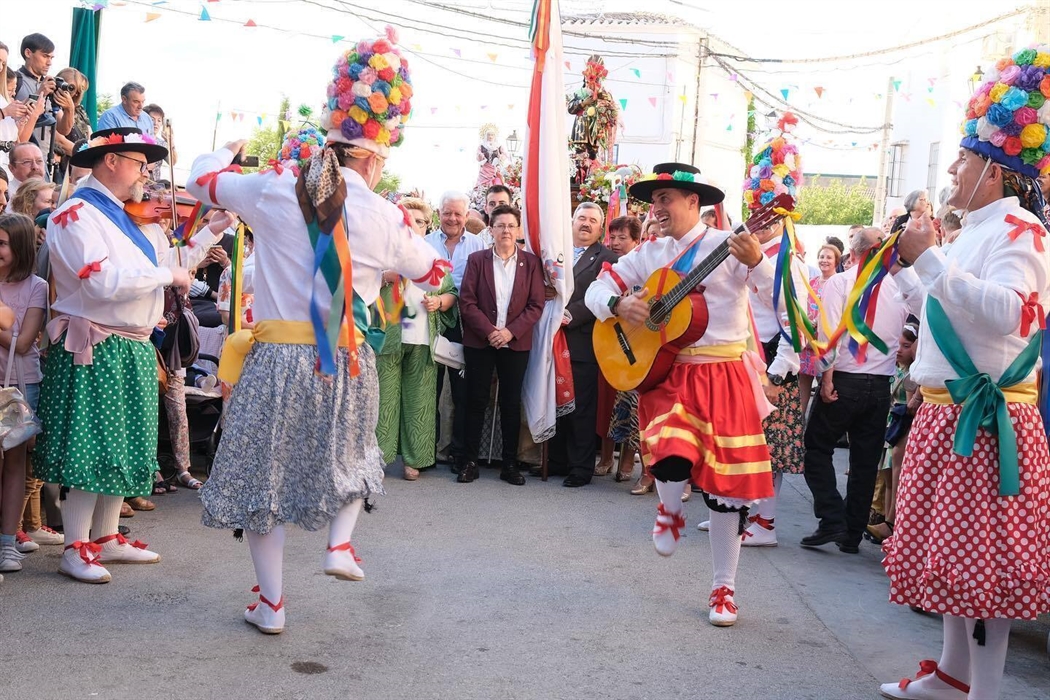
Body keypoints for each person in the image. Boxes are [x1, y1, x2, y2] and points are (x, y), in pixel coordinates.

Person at [189, 29, 449, 635]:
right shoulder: (386, 214)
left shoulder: (276, 188)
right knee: (354, 454)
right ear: (376, 158)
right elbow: (429, 267)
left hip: (278, 356)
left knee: (264, 476)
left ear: (327, 142)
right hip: (346, 358)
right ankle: (339, 543)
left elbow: (200, 180)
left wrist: (224, 154)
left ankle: (272, 604)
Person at [879, 43, 1050, 699]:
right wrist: (910, 265)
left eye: (966, 158)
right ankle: (953, 676)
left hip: (988, 423)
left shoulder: (1023, 233)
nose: (953, 168)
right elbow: (949, 320)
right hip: (947, 413)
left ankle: (985, 689)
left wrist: (928, 263)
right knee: (951, 562)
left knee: (982, 569)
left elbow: (1009, 315)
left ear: (997, 170)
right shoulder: (972, 230)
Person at [585, 162, 774, 627]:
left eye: (665, 198)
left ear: (694, 202)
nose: (657, 207)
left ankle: (723, 588)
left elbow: (776, 299)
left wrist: (758, 262)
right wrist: (617, 304)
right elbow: (594, 288)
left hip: (725, 372)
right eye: (654, 200)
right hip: (670, 374)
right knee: (670, 453)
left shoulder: (728, 246)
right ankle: (669, 509)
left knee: (726, 492)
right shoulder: (649, 252)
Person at [34, 126, 225, 584]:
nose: (147, 173)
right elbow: (100, 281)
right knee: (92, 444)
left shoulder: (125, 217)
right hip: (96, 341)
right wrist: (165, 277)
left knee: (122, 443)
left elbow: (172, 265)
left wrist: (209, 233)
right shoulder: (75, 214)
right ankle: (75, 544)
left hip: (131, 342)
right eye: (141, 164)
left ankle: (105, 537)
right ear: (111, 161)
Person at [801, 227, 907, 554]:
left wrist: (827, 378)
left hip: (845, 379)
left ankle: (833, 516)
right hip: (879, 386)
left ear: (853, 251)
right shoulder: (898, 287)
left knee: (816, 446)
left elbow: (829, 332)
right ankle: (851, 531)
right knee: (864, 460)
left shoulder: (840, 283)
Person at [457, 204, 545, 486]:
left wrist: (509, 332)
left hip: (515, 343)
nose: (505, 230)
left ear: (517, 230)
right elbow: (467, 301)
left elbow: (535, 305)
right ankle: (469, 461)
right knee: (475, 400)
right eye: (500, 225)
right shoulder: (477, 260)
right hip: (480, 342)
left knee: (510, 402)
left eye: (510, 226)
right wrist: (489, 331)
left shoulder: (531, 263)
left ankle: (509, 463)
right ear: (491, 229)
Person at [375, 197, 457, 481]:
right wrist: (386, 276)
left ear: (427, 225)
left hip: (422, 339)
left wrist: (440, 303)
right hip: (387, 337)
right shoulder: (381, 253)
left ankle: (415, 461)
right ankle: (378, 460)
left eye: (419, 222)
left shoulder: (434, 257)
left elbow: (451, 294)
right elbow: (357, 283)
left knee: (419, 402)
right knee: (384, 401)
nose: (412, 226)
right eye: (406, 221)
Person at [547, 202, 616, 488]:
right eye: (581, 218)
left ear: (600, 228)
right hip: (549, 340)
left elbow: (605, 295)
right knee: (553, 403)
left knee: (581, 408)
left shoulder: (607, 258)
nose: (586, 224)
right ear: (572, 221)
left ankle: (580, 467)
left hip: (582, 342)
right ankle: (556, 460)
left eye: (592, 220)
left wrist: (570, 315)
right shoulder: (554, 251)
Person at [425, 191, 485, 472]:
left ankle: (459, 453)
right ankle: (427, 450)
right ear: (439, 213)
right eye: (447, 212)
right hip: (431, 321)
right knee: (428, 389)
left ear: (466, 215)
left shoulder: (478, 245)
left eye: (457, 213)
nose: (452, 218)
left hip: (465, 324)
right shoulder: (424, 244)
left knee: (463, 391)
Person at [0, 213, 41, 574]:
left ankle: (7, 541)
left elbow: (25, 342)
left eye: (2, 243)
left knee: (15, 463)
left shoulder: (36, 287)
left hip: (19, 384)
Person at [601, 216, 646, 486]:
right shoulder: (608, 266)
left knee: (633, 405)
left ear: (635, 241)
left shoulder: (645, 268)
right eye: (613, 237)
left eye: (622, 238)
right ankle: (606, 458)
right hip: (609, 342)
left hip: (639, 346)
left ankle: (628, 460)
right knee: (607, 405)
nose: (616, 243)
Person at [865, 322, 919, 545]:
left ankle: (891, 521)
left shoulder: (912, 374)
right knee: (887, 474)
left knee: (896, 471)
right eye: (897, 345)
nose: (899, 350)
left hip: (903, 423)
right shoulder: (894, 369)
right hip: (890, 424)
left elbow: (910, 406)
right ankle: (885, 519)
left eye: (906, 346)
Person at [13, 33, 74, 166]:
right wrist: (39, 93)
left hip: (44, 160)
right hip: (19, 160)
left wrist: (69, 109)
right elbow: (10, 119)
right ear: (28, 53)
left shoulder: (50, 84)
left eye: (51, 57)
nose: (49, 62)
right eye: (45, 56)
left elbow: (64, 130)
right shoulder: (15, 80)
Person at [797, 243, 841, 418]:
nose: (824, 260)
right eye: (822, 256)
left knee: (825, 387)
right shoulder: (811, 282)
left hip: (826, 344)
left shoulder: (839, 283)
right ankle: (799, 430)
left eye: (829, 257)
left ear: (836, 261)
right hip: (808, 342)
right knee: (803, 388)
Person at [52, 68, 90, 175]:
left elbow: (90, 136)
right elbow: (61, 140)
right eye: (69, 87)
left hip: (80, 163)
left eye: (79, 89)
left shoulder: (79, 110)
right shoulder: (53, 105)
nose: (74, 93)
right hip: (62, 165)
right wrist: (85, 154)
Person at [0, 42, 30, 172]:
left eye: (3, 63)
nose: (1, 67)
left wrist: (21, 121)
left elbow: (15, 139)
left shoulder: (3, 97)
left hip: (6, 161)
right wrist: (5, 112)